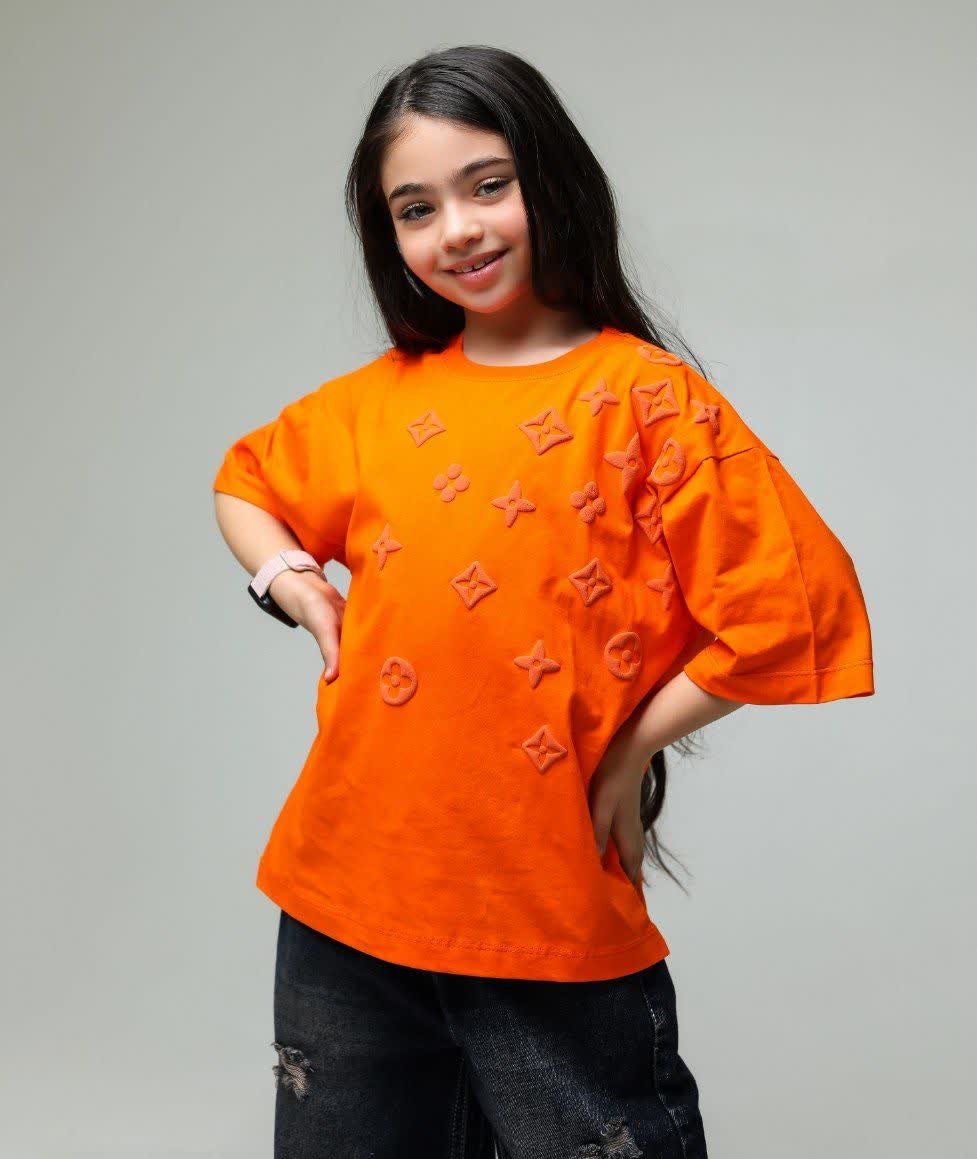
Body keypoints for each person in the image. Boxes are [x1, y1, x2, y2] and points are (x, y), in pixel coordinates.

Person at [212, 44, 875, 1159]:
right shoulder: (375, 404)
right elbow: (246, 483)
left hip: (543, 907)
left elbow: (790, 610)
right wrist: (291, 583)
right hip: (339, 900)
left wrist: (630, 748)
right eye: (415, 209)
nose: (457, 230)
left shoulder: (647, 401)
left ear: (552, 177)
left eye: (488, 185)